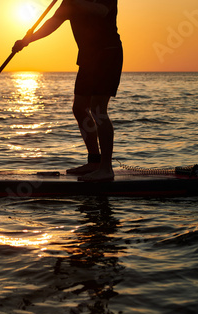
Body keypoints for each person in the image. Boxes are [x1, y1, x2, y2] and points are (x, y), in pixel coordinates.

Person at [13, 0, 123, 182]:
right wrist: (27, 41)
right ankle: (94, 161)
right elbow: (53, 22)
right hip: (87, 57)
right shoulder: (69, 2)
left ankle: (106, 169)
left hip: (107, 54)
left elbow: (101, 11)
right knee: (79, 108)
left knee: (98, 109)